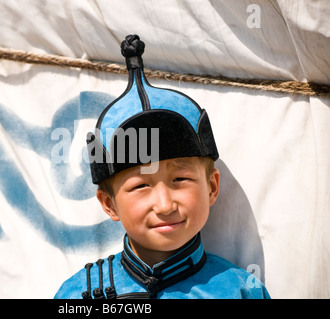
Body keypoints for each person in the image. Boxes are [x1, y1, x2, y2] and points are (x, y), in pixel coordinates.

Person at [54, 35, 270, 299]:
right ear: (109, 204)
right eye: (141, 185)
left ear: (212, 186)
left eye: (179, 179)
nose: (165, 205)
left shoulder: (242, 290)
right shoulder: (79, 296)